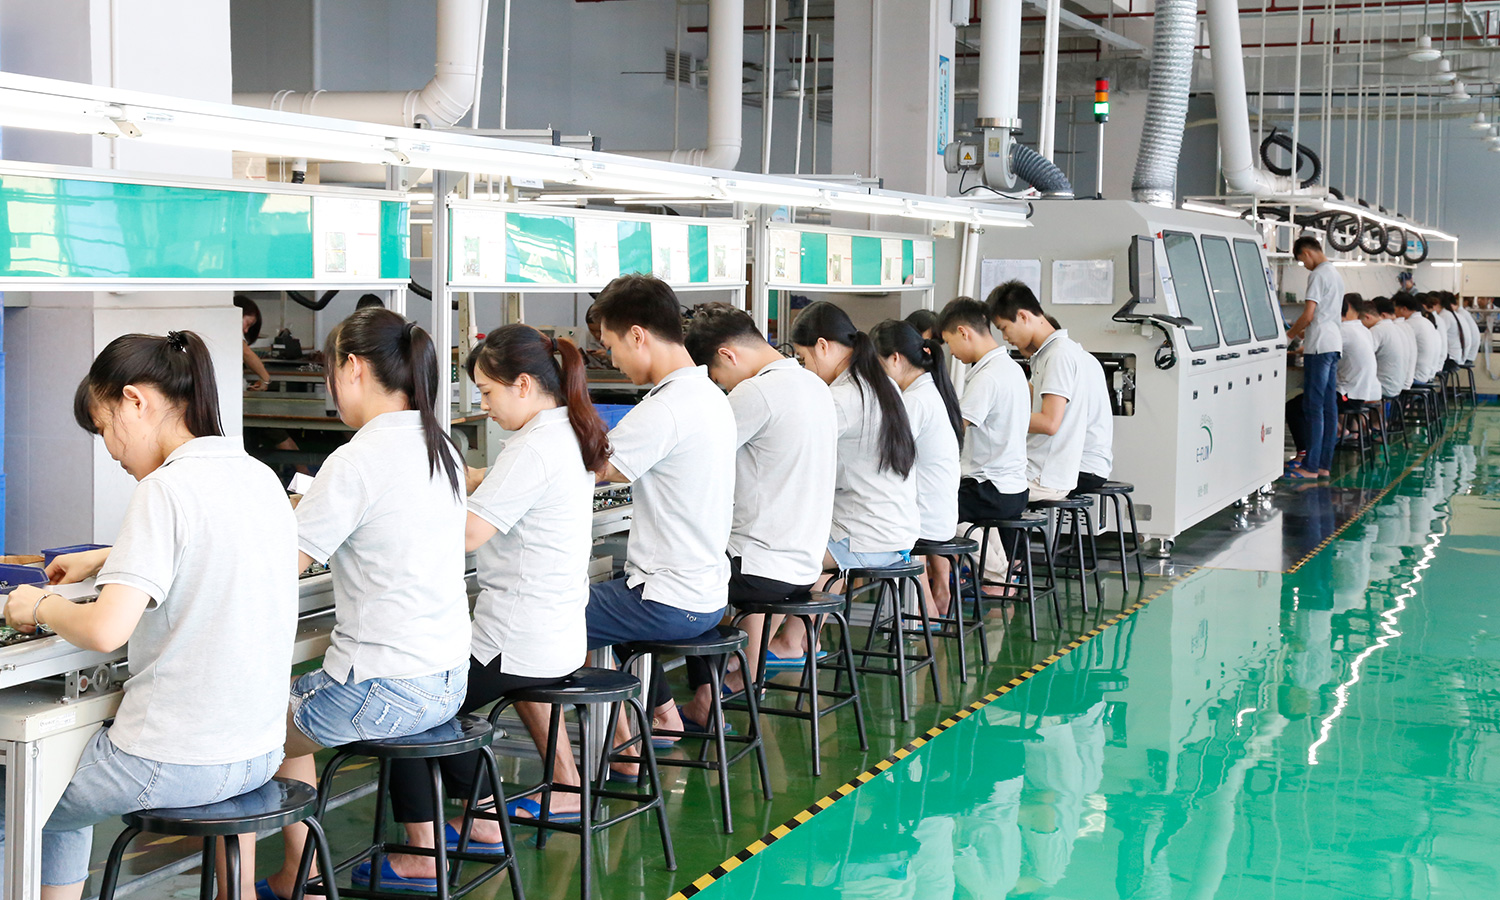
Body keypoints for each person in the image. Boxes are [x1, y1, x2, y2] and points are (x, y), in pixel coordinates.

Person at [0, 332, 295, 900]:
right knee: (56, 780)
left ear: (134, 400)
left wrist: (38, 604)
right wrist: (109, 557)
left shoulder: (165, 488)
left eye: (104, 427)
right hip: (258, 754)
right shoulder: (258, 475)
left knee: (27, 787)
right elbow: (211, 549)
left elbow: (105, 629)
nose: (111, 450)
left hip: (174, 761)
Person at [372, 325, 610, 882]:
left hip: (516, 641)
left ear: (522, 384)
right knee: (434, 696)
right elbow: (501, 486)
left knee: (409, 699)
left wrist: (391, 517)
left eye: (486, 392)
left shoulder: (534, 448)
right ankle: (479, 814)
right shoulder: (565, 432)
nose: (483, 405)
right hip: (554, 633)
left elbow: (466, 535)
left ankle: (434, 844)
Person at [250, 308, 470, 898]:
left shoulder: (357, 459)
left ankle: (298, 874)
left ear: (351, 367)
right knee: (286, 705)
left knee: (246, 721)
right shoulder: (440, 447)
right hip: (446, 680)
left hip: (386, 689)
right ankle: (303, 869)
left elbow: (279, 569)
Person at [586, 275, 735, 762]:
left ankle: (622, 747)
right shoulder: (710, 394)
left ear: (637, 335)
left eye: (610, 346)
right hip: (706, 593)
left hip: (670, 600)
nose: (611, 360)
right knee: (600, 599)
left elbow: (593, 470)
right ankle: (661, 715)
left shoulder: (669, 406)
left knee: (546, 615)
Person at [681, 304, 836, 716]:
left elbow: (697, 457)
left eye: (717, 377)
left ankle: (707, 697)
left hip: (761, 569)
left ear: (727, 355)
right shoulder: (815, 384)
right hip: (804, 565)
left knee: (679, 584)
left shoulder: (756, 393)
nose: (722, 386)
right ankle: (742, 669)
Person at [771, 301, 918, 663]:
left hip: (865, 536)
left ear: (822, 346)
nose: (806, 369)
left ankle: (765, 650)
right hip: (895, 532)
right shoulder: (881, 384)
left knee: (774, 559)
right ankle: (799, 639)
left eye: (803, 359)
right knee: (801, 552)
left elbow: (797, 455)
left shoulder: (841, 398)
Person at [987, 281, 1113, 501]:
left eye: (1004, 328)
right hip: (1053, 467)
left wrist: (995, 419)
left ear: (1023, 316)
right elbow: (1027, 401)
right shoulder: (1052, 354)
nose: (1005, 338)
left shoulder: (1059, 355)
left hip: (1055, 471)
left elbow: (1049, 423)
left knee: (966, 493)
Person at [937, 297, 1030, 591]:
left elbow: (954, 430)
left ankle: (996, 575)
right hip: (1015, 488)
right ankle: (1001, 568)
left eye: (949, 342)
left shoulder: (987, 377)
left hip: (990, 489)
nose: (951, 352)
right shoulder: (1012, 368)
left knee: (932, 510)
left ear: (963, 332)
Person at [872, 319, 963, 616]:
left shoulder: (914, 401)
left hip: (925, 521)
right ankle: (937, 597)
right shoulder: (931, 391)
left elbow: (885, 457)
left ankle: (925, 612)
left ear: (895, 359)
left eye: (877, 365)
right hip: (941, 514)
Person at [1286, 236, 1344, 479]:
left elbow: (1309, 315)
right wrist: (1304, 330)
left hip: (1319, 347)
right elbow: (1322, 315)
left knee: (1313, 407)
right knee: (1329, 408)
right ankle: (1323, 466)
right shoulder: (1336, 274)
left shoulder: (1318, 275)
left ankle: (1309, 467)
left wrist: (1289, 336)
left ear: (1306, 253)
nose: (1305, 266)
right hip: (1333, 344)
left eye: (1302, 261)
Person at [1359, 297, 1414, 403]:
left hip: (1384, 387)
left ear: (1367, 317)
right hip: (1397, 385)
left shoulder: (1376, 330)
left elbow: (1364, 358)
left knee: (1345, 393)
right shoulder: (1397, 327)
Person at [1395, 292, 1444, 387]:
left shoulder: (1409, 324)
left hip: (1416, 378)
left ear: (1403, 309)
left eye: (1394, 309)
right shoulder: (1426, 322)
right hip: (1427, 375)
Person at [235, 294, 274, 391]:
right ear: (239, 314)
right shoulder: (232, 327)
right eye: (248, 324)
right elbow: (246, 353)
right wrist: (265, 379)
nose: (246, 330)